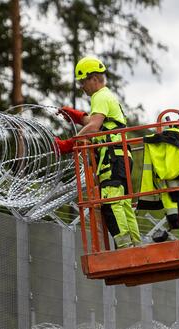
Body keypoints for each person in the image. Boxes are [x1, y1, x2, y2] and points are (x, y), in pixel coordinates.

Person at [54, 56, 141, 248]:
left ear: (93, 78)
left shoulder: (99, 96)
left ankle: (126, 249)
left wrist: (69, 144)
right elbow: (99, 123)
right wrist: (77, 116)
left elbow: (93, 127)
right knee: (123, 203)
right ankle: (135, 246)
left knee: (111, 203)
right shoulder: (107, 96)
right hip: (121, 156)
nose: (82, 87)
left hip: (112, 158)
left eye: (83, 81)